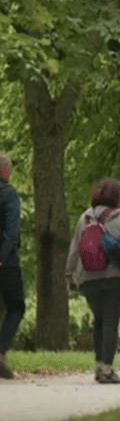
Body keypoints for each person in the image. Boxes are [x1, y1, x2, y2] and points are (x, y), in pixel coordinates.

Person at [66, 178, 120, 384]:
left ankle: (98, 366)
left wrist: (69, 275)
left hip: (88, 278)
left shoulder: (84, 218)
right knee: (111, 320)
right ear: (117, 197)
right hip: (116, 277)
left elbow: (75, 249)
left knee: (99, 321)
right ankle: (108, 370)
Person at [0, 153, 25, 379]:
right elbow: (10, 231)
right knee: (16, 306)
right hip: (6, 262)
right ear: (4, 171)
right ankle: (0, 351)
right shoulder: (8, 196)